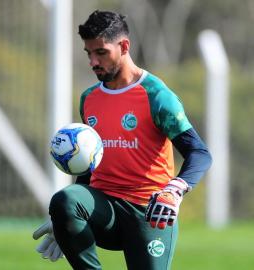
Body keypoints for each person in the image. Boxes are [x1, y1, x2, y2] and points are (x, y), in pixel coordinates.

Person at [33, 10, 212, 270]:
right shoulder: (90, 98)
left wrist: (174, 190)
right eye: (89, 53)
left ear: (124, 46)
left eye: (101, 53)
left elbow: (199, 152)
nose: (93, 61)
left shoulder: (157, 96)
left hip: (148, 213)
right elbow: (87, 165)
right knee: (64, 200)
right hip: (104, 210)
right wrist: (66, 221)